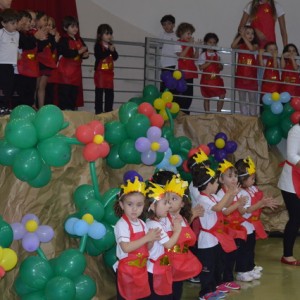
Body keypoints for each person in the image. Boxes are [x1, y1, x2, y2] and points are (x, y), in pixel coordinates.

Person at [190, 166, 238, 300]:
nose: (217, 185)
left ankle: (213, 287)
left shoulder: (211, 197)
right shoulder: (202, 199)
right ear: (208, 185)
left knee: (217, 264)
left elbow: (224, 206)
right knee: (207, 268)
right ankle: (205, 293)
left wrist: (232, 194)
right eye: (216, 182)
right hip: (206, 240)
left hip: (215, 238)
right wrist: (228, 194)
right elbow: (217, 208)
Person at [152, 172, 203, 300]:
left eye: (174, 199)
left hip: (181, 261)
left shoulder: (183, 219)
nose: (169, 203)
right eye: (167, 199)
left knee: (177, 289)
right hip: (167, 261)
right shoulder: (161, 219)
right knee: (165, 290)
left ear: (182, 203)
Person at [113, 176, 161, 300]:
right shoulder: (122, 225)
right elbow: (126, 247)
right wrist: (146, 238)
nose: (134, 209)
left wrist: (151, 239)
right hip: (127, 272)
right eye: (130, 204)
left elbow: (146, 248)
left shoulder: (142, 223)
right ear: (121, 205)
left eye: (139, 205)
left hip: (141, 270)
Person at [235, 157, 278, 281]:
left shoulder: (251, 188)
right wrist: (261, 204)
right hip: (243, 225)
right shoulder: (241, 193)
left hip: (251, 225)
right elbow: (247, 210)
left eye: (254, 178)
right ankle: (242, 271)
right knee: (244, 249)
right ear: (242, 179)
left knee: (251, 247)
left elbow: (258, 200)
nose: (254, 180)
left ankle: (250, 267)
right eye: (251, 178)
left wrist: (265, 203)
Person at [145, 180, 182, 299]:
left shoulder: (158, 221)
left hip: (161, 267)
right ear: (152, 206)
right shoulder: (153, 224)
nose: (169, 206)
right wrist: (177, 231)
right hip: (154, 270)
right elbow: (169, 244)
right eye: (165, 203)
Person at [216, 159, 247, 290]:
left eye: (235, 175)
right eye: (229, 176)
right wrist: (237, 203)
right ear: (221, 180)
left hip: (235, 229)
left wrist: (241, 203)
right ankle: (222, 280)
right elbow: (225, 210)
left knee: (232, 255)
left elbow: (240, 211)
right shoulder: (221, 193)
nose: (234, 179)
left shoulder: (236, 190)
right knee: (224, 257)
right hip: (224, 230)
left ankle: (228, 278)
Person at [278, 122, 300, 265]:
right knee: (296, 218)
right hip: (291, 181)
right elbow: (292, 155)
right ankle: (287, 255)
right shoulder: (296, 130)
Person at [57, 16, 88, 110]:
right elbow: (66, 53)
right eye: (72, 26)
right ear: (65, 28)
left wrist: (85, 54)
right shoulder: (63, 40)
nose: (75, 29)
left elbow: (84, 51)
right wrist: (79, 52)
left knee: (73, 96)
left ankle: (72, 115)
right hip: (65, 73)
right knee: (64, 96)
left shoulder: (79, 39)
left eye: (76, 26)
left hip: (76, 73)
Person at [14, 10, 40, 108]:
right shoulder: (17, 34)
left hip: (30, 70)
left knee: (29, 97)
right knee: (20, 98)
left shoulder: (28, 34)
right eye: (27, 21)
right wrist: (35, 37)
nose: (29, 23)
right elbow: (26, 44)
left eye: (30, 21)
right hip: (20, 71)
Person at [231, 25, 259, 116]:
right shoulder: (240, 46)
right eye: (247, 33)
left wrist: (244, 36)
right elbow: (233, 46)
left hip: (251, 78)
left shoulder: (255, 45)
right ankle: (244, 116)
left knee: (252, 99)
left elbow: (251, 49)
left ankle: (253, 117)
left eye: (252, 33)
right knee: (242, 99)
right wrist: (240, 35)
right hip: (241, 77)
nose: (250, 35)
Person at [174, 22, 199, 114]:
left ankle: (185, 112)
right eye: (188, 33)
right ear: (181, 32)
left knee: (189, 95)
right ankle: (180, 112)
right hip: (181, 73)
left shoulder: (189, 45)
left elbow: (194, 58)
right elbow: (180, 56)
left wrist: (197, 48)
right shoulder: (178, 43)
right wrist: (189, 45)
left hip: (190, 73)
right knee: (181, 94)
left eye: (191, 34)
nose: (190, 36)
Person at [35, 11, 59, 109]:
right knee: (35, 86)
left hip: (46, 62)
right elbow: (39, 47)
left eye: (49, 24)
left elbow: (52, 48)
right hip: (37, 61)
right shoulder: (35, 32)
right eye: (44, 20)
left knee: (42, 86)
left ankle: (41, 107)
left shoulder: (49, 35)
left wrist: (52, 37)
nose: (46, 24)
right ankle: (33, 105)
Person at [94, 23, 118, 114]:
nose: (109, 36)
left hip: (109, 74)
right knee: (99, 93)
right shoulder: (98, 46)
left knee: (110, 93)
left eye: (110, 34)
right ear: (100, 35)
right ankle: (98, 112)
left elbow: (115, 57)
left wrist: (113, 51)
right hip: (100, 73)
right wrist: (109, 51)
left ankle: (108, 111)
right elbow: (99, 56)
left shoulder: (111, 45)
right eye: (107, 34)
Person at [199, 33, 226, 112]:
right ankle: (207, 114)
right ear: (206, 43)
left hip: (216, 80)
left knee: (222, 95)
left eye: (214, 43)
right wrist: (209, 62)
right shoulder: (203, 55)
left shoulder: (217, 55)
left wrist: (218, 63)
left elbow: (221, 68)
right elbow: (200, 67)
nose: (212, 44)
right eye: (210, 42)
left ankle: (218, 112)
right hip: (206, 81)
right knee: (206, 97)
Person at [0, 8, 19, 115]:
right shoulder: (1, 33)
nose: (15, 25)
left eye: (16, 23)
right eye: (12, 23)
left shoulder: (17, 34)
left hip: (11, 65)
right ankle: (1, 106)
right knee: (2, 87)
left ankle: (6, 106)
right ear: (3, 23)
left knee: (9, 87)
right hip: (1, 64)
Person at [159, 14, 177, 92]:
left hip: (175, 64)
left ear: (173, 25)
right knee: (164, 86)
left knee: (174, 87)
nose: (166, 26)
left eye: (169, 24)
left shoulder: (177, 36)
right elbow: (158, 47)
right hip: (165, 65)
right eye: (164, 24)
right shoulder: (162, 36)